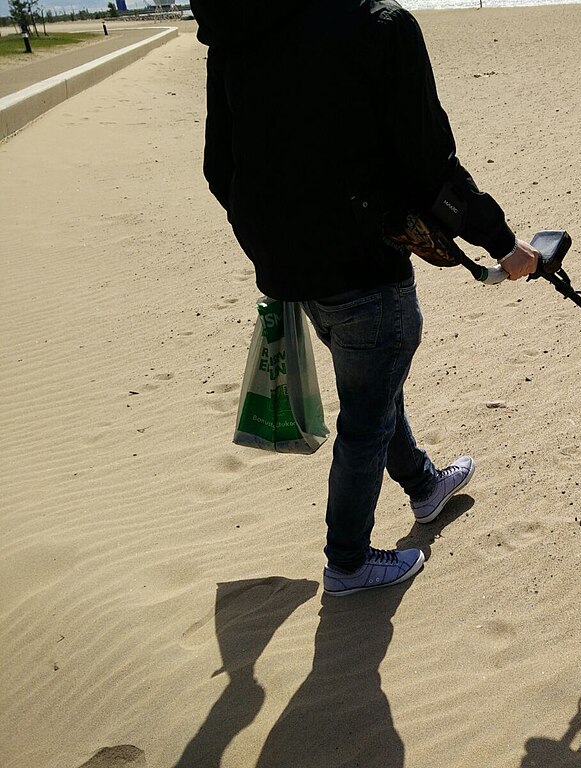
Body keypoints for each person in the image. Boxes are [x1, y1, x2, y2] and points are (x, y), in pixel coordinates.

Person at [194, 0, 539, 596]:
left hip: (295, 273)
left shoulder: (237, 29)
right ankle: (348, 561)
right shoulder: (379, 25)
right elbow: (429, 165)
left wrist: (279, 243)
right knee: (367, 414)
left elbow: (219, 168)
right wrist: (503, 244)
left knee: (370, 387)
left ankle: (425, 487)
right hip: (364, 267)